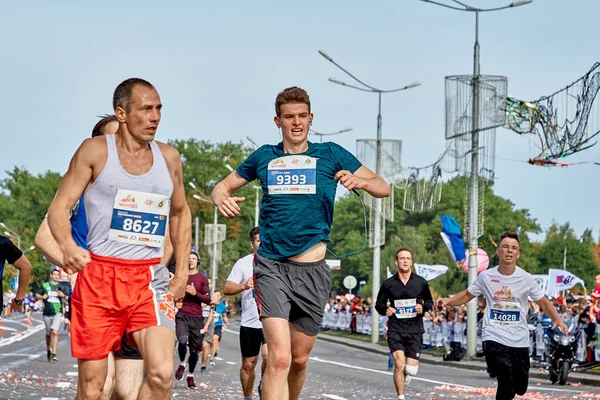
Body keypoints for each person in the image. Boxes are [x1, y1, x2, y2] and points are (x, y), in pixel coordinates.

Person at [211, 86, 390, 400]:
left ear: (311, 118)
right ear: (277, 121)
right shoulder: (265, 156)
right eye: (288, 117)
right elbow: (221, 187)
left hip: (312, 271)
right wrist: (220, 197)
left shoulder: (331, 153)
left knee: (299, 358)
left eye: (302, 116)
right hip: (272, 266)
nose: (296, 123)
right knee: (278, 357)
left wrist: (359, 181)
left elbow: (382, 186)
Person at [47, 78, 191, 400]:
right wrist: (69, 248)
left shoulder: (169, 158)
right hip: (100, 277)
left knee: (162, 373)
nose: (155, 117)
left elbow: (180, 213)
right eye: (146, 109)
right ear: (122, 113)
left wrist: (180, 272)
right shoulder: (95, 151)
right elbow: (59, 208)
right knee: (94, 389)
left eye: (158, 109)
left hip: (149, 278)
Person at [35, 114, 155, 400]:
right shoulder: (81, 184)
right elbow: (43, 237)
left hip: (134, 293)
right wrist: (76, 267)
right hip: (93, 293)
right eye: (111, 140)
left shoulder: (146, 188)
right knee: (98, 387)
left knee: (127, 392)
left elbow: (161, 242)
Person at [439, 232, 568, 400]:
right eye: (505, 247)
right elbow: (466, 295)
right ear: (499, 251)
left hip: (518, 339)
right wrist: (447, 301)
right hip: (494, 335)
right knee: (506, 377)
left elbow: (543, 302)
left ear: (518, 254)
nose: (509, 251)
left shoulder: (526, 278)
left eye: (513, 248)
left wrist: (557, 319)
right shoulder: (486, 276)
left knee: (520, 387)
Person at [375, 248, 433, 400]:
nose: (405, 261)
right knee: (399, 364)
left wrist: (423, 308)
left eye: (408, 258)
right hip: (396, 329)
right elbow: (378, 305)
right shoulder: (388, 284)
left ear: (411, 262)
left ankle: (406, 373)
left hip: (415, 329)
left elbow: (429, 301)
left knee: (411, 370)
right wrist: (386, 309)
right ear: (396, 262)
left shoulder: (421, 282)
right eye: (402, 258)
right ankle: (401, 396)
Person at [224, 226, 268, 400]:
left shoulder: (277, 262)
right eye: (258, 240)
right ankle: (248, 396)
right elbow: (227, 288)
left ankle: (265, 385)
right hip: (250, 322)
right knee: (249, 364)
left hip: (271, 320)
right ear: (252, 243)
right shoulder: (243, 263)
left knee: (269, 357)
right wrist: (244, 285)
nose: (262, 243)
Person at [174, 249, 211, 389]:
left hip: (196, 318)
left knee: (195, 350)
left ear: (197, 261)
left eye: (193, 258)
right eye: (188, 258)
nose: (190, 260)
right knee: (182, 340)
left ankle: (190, 375)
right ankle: (182, 363)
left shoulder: (202, 278)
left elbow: (208, 299)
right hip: (182, 315)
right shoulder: (180, 276)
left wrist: (196, 293)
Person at [36, 268, 69, 362]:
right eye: (54, 274)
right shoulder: (45, 285)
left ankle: (54, 353)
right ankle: (48, 350)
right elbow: (37, 295)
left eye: (57, 275)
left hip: (57, 312)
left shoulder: (62, 286)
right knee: (48, 334)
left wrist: (62, 295)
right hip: (47, 312)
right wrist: (42, 296)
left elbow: (67, 298)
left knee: (54, 331)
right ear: (51, 275)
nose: (56, 276)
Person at [0, 235, 32, 315]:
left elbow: (26, 267)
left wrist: (19, 299)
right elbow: (26, 266)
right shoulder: (2, 242)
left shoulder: (2, 243)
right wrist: (18, 300)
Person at [212, 294, 228, 361]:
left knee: (215, 338)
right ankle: (213, 348)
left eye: (218, 295)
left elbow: (224, 316)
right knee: (209, 341)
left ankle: (213, 354)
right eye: (216, 295)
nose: (217, 297)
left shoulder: (222, 306)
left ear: (220, 296)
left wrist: (225, 321)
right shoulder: (210, 304)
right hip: (209, 324)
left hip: (218, 325)